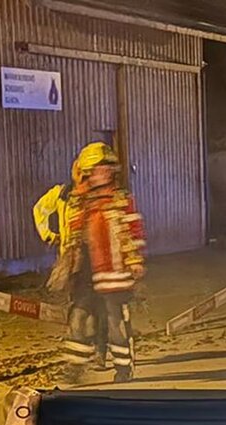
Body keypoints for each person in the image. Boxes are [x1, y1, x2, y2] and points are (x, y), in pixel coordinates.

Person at [49, 142, 146, 384]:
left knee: (115, 322)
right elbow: (72, 233)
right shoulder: (80, 200)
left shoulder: (120, 199)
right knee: (78, 319)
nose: (100, 173)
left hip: (114, 273)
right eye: (94, 169)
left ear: (112, 170)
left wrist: (134, 261)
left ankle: (124, 368)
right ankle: (75, 367)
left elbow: (134, 229)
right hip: (85, 274)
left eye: (104, 168)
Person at [34, 154, 110, 370]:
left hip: (97, 261)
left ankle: (98, 352)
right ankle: (82, 350)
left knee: (99, 307)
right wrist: (49, 235)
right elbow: (39, 209)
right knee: (78, 304)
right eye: (79, 172)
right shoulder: (62, 194)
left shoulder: (98, 195)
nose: (81, 176)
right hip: (73, 261)